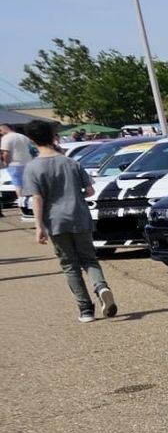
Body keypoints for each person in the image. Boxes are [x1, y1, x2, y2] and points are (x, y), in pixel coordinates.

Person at [21, 120, 115, 322]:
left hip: (55, 221)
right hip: (79, 216)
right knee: (89, 259)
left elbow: (37, 198)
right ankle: (101, 287)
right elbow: (90, 191)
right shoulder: (71, 163)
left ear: (32, 140)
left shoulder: (32, 168)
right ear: (52, 137)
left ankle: (85, 309)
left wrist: (39, 226)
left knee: (70, 265)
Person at [3, 121, 34, 216]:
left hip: (14, 163)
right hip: (27, 163)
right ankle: (31, 205)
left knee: (18, 186)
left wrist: (6, 162)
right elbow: (31, 148)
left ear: (4, 129)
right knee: (28, 185)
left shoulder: (7, 138)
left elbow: (6, 153)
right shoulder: (23, 137)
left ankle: (23, 207)